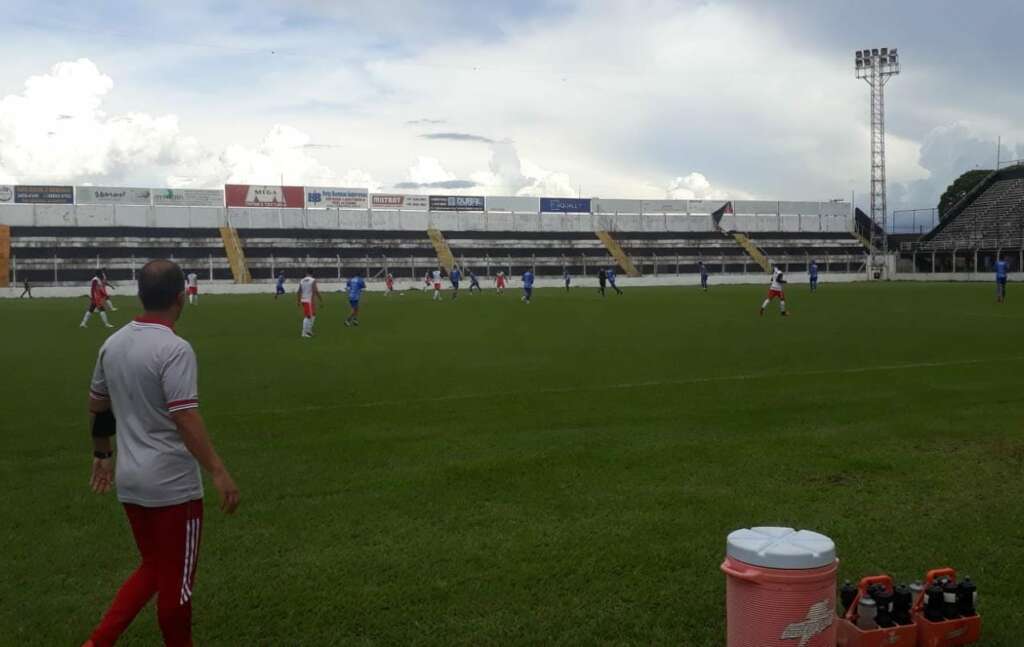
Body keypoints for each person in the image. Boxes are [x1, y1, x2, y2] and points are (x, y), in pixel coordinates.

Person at [82, 259, 239, 647]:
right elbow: (184, 416)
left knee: (153, 568)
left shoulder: (113, 343)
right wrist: (218, 471)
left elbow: (97, 405)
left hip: (131, 483)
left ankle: (97, 642)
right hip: (173, 488)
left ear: (140, 295)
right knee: (177, 587)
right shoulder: (174, 348)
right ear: (180, 296)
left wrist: (102, 454)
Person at [297, 269, 323, 338]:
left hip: (303, 300)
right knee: (308, 316)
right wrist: (320, 299)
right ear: (312, 273)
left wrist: (298, 301)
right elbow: (315, 291)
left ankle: (309, 330)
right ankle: (304, 333)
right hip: (309, 300)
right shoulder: (312, 280)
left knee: (313, 314)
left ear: (306, 273)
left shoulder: (302, 280)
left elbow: (299, 291)